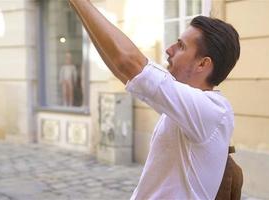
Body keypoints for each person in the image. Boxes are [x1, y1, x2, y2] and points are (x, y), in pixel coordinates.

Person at [69, 0, 241, 199]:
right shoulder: (187, 104)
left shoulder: (212, 109)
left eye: (181, 46)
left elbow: (127, 62)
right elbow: (122, 69)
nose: (169, 49)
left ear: (203, 64)